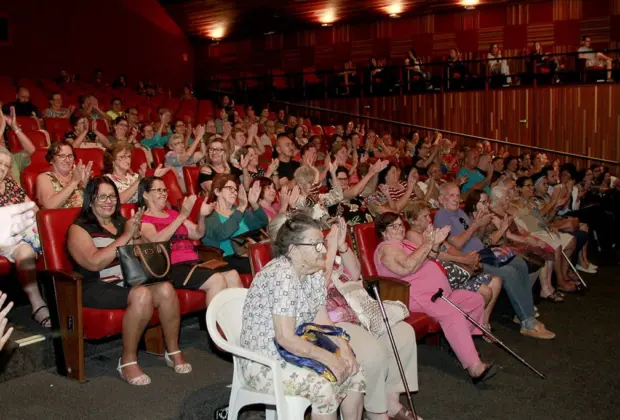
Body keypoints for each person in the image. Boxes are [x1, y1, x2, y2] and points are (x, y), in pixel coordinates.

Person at [240, 212, 365, 420]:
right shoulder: (282, 275)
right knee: (325, 384)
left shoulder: (313, 272)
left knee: (354, 369)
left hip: (297, 350)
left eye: (322, 243)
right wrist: (328, 358)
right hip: (266, 362)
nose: (324, 250)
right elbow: (285, 338)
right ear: (294, 251)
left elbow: (322, 321)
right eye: (316, 245)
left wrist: (344, 348)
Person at [67, 177, 190, 385]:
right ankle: (127, 361)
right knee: (142, 295)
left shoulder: (122, 222)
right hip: (94, 285)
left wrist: (137, 235)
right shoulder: (79, 228)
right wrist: (126, 236)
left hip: (127, 281)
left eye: (113, 196)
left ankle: (173, 350)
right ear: (90, 200)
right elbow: (94, 263)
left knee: (167, 289)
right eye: (102, 196)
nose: (109, 201)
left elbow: (143, 252)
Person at [374, 212, 497, 383]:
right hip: (417, 297)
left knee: (475, 301)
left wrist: (436, 244)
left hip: (440, 294)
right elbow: (405, 267)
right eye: (393, 226)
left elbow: (429, 256)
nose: (400, 228)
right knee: (452, 313)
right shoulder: (387, 248)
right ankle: (474, 367)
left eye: (401, 225)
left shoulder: (406, 243)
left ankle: (459, 344)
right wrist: (428, 243)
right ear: (383, 232)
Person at [434, 183, 556, 339]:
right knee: (509, 272)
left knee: (519, 263)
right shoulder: (441, 215)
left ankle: (524, 314)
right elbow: (456, 244)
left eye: (458, 195)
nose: (456, 198)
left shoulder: (460, 213)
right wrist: (475, 225)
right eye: (451, 195)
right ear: (442, 199)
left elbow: (476, 237)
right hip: (470, 261)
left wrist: (481, 226)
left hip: (484, 252)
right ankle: (527, 322)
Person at [138, 176, 242, 306]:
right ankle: (213, 325)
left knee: (232, 275)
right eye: (159, 190)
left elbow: (198, 234)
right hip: (171, 267)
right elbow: (156, 242)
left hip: (193, 263)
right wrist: (182, 216)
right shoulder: (143, 219)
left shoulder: (172, 214)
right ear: (146, 195)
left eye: (165, 190)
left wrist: (202, 216)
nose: (163, 194)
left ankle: (238, 323)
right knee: (217, 279)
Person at [404, 200, 502, 330]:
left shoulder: (432, 230)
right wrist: (464, 261)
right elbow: (435, 255)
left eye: (429, 215)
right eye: (425, 216)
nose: (429, 219)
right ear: (413, 221)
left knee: (496, 281)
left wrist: (469, 260)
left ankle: (483, 324)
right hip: (443, 279)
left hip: (456, 272)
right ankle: (466, 329)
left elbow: (449, 248)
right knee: (485, 292)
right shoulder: (412, 235)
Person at [0, 148, 50, 327]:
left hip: (20, 236)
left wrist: (44, 225)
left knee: (28, 250)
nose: (3, 168)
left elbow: (32, 208)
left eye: (6, 165)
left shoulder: (11, 184)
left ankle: (41, 303)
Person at [487, 186, 562, 302]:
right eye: (506, 197)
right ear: (498, 199)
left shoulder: (505, 211)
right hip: (506, 244)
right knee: (536, 254)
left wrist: (530, 237)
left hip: (516, 240)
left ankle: (547, 287)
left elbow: (520, 229)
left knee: (545, 248)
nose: (508, 199)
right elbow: (508, 235)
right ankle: (529, 295)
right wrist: (528, 240)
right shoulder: (493, 214)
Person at [513, 176, 580, 293]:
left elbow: (544, 217)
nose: (531, 188)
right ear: (519, 188)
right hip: (532, 233)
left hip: (543, 230)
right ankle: (560, 281)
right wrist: (553, 201)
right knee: (557, 245)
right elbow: (539, 213)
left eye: (531, 185)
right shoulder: (515, 202)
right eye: (527, 186)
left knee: (571, 240)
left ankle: (564, 274)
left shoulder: (533, 200)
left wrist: (552, 220)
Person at [202, 174, 268, 274]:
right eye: (230, 189)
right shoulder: (210, 214)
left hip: (249, 253)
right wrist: (241, 208)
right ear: (217, 191)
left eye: (236, 190)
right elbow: (222, 233)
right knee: (264, 265)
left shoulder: (238, 211)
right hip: (227, 258)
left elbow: (261, 224)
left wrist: (254, 204)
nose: (235, 193)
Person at [103, 142, 168, 204]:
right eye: (123, 157)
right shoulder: (107, 179)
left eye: (129, 156)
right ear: (112, 160)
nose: (128, 160)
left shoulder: (135, 176)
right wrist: (139, 180)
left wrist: (155, 179)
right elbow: (120, 200)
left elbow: (151, 197)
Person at [35, 142, 92, 209]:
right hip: (60, 218)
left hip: (83, 217)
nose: (67, 160)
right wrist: (74, 182)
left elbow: (93, 203)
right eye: (62, 156)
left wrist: (85, 185)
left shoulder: (78, 174)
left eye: (70, 156)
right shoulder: (44, 178)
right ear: (51, 160)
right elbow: (49, 206)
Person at [1, 106, 36, 184]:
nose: (2, 143)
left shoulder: (13, 159)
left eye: (3, 141)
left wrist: (15, 127)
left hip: (18, 195)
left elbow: (31, 150)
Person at [165, 129, 205, 193]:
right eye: (177, 144)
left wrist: (201, 138)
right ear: (170, 147)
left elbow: (202, 154)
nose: (181, 145)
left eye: (181, 142)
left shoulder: (184, 155)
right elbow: (186, 156)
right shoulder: (169, 156)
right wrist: (197, 138)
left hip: (192, 183)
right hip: (180, 186)